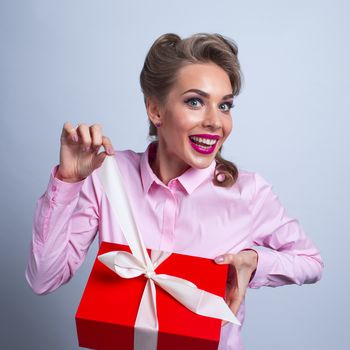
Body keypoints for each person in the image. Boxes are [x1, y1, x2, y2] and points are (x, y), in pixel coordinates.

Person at [25, 33, 324, 349]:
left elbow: (311, 261)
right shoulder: (107, 176)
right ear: (155, 110)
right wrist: (68, 180)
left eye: (224, 105)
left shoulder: (247, 193)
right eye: (195, 101)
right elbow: (43, 280)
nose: (215, 122)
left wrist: (254, 263)